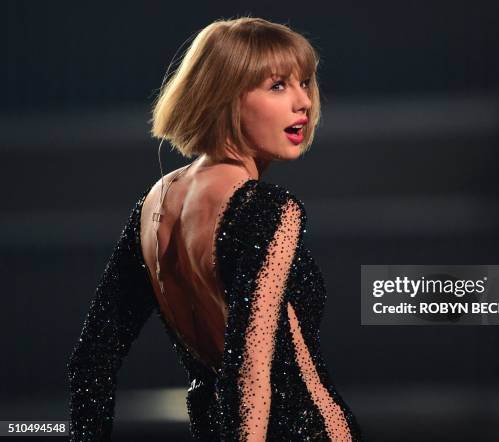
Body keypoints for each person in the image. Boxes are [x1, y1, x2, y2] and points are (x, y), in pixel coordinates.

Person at [67, 17, 365, 441]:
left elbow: (91, 359)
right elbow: (251, 371)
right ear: (224, 97)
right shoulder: (267, 209)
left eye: (306, 82)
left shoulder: (155, 203)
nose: (304, 102)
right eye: (277, 85)